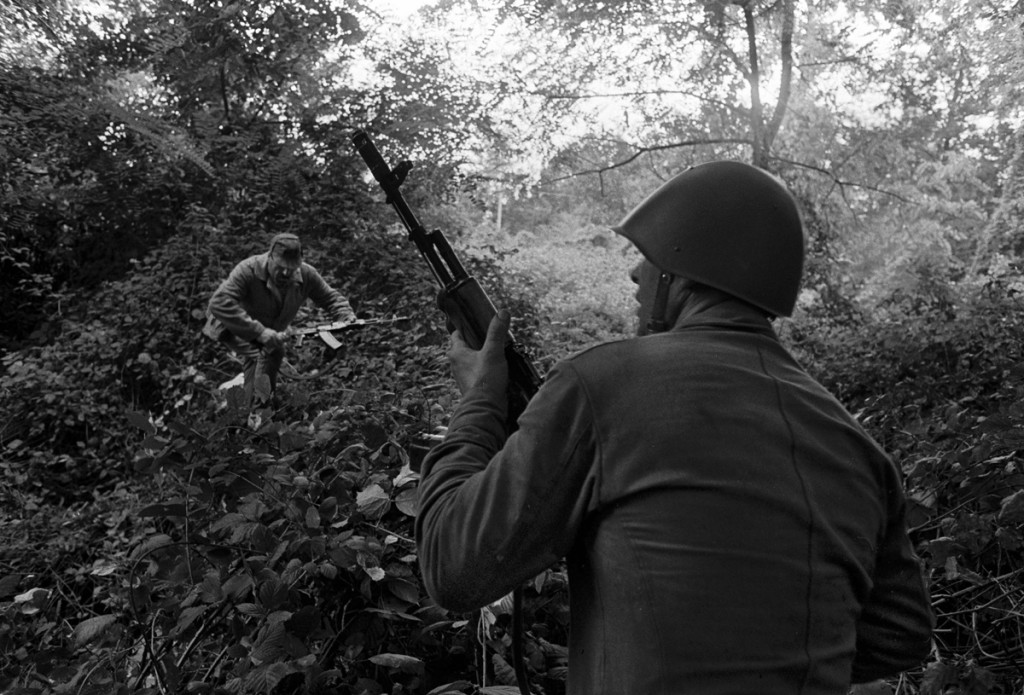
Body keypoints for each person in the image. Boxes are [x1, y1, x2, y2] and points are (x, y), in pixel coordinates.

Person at [414, 162, 933, 694]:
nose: (636, 274)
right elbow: (900, 636)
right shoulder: (857, 446)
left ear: (683, 273)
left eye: (649, 256)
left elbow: (452, 567)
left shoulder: (601, 385)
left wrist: (479, 399)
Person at [203, 232, 357, 400]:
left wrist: (345, 315)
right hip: (232, 325)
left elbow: (330, 297)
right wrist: (260, 332)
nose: (285, 273)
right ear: (270, 258)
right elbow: (219, 303)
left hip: (268, 327)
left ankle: (248, 405)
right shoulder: (248, 269)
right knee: (269, 353)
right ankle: (257, 408)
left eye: (291, 269)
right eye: (280, 266)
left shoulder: (307, 274)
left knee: (267, 359)